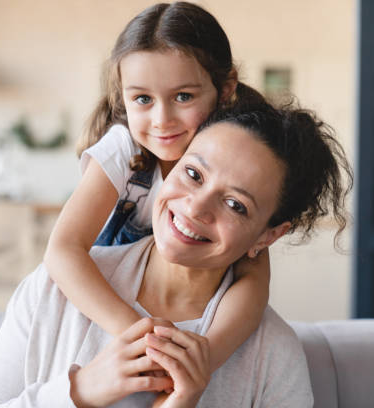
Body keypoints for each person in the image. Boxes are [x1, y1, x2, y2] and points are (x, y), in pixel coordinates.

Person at [0, 98, 352, 407]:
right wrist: (80, 391)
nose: (195, 208)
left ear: (267, 236)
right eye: (193, 174)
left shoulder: (272, 353)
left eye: (235, 205)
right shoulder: (54, 294)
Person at [44, 2, 271, 372]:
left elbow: (254, 279)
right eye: (143, 99)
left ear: (225, 88)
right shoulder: (123, 150)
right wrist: (141, 337)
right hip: (109, 318)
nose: (162, 120)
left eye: (183, 97)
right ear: (123, 95)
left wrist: (202, 359)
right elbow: (62, 250)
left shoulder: (236, 157)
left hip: (191, 320)